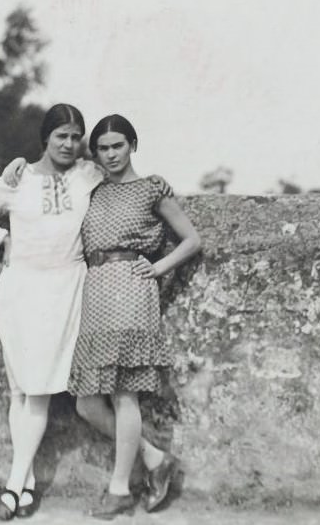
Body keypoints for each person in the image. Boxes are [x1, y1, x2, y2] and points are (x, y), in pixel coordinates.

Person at [0, 103, 104, 521]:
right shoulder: (17, 179)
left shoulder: (89, 175)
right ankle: (26, 487)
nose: (69, 144)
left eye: (76, 137)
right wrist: (1, 239)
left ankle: (12, 485)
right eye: (61, 136)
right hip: (20, 288)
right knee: (19, 390)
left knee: (38, 389)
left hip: (64, 289)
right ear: (46, 138)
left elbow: (122, 172)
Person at [71, 114, 201, 519]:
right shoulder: (92, 190)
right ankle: (156, 458)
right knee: (86, 404)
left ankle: (119, 490)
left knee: (123, 392)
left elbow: (192, 240)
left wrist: (159, 268)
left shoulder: (151, 189)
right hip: (95, 291)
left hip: (131, 288)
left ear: (133, 145)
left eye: (118, 145)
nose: (111, 154)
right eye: (103, 148)